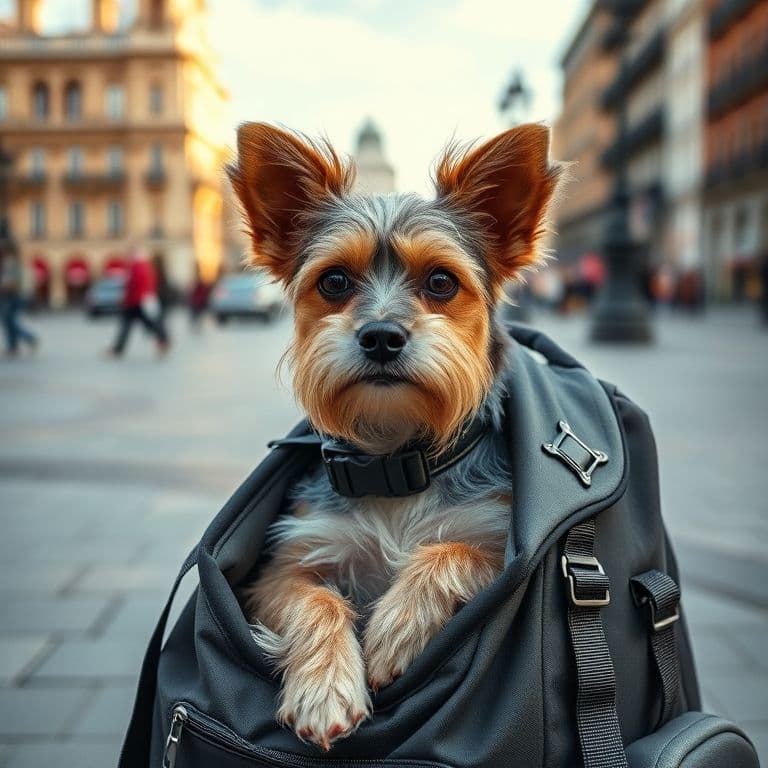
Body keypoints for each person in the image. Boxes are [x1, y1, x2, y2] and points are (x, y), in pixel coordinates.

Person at [107, 246, 169, 357]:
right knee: (146, 323)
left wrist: (125, 298)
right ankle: (163, 340)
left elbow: (132, 284)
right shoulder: (146, 266)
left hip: (136, 301)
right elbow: (151, 283)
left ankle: (117, 350)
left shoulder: (136, 267)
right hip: (141, 300)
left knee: (129, 326)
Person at [1, 252, 38, 357]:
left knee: (9, 321)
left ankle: (28, 338)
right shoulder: (14, 264)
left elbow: (11, 282)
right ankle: (13, 346)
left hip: (13, 296)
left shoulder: (10, 264)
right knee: (9, 321)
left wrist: (3, 287)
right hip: (15, 296)